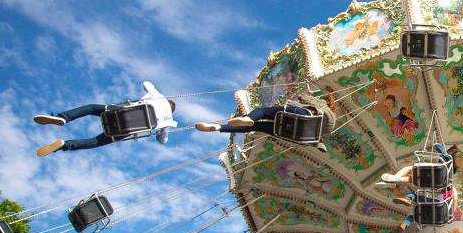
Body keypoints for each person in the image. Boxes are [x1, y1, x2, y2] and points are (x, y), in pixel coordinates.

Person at [35, 81, 177, 156]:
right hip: (126, 130)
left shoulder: (158, 97)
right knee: (96, 141)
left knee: (91, 108)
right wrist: (162, 129)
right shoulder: (169, 121)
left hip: (120, 112)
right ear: (172, 111)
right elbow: (162, 140)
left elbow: (146, 83)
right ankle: (64, 145)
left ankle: (63, 118)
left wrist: (154, 91)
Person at [195, 90, 330, 152]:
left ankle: (246, 119)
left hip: (300, 115)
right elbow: (318, 145)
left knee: (263, 112)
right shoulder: (321, 133)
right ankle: (220, 127)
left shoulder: (322, 107)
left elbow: (305, 98)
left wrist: (303, 95)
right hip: (289, 133)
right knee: (256, 127)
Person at [378, 143, 453, 187]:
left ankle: (395, 179)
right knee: (412, 176)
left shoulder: (446, 158)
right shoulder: (447, 162)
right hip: (437, 182)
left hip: (435, 174)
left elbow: (437, 145)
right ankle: (395, 180)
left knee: (410, 169)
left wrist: (440, 149)